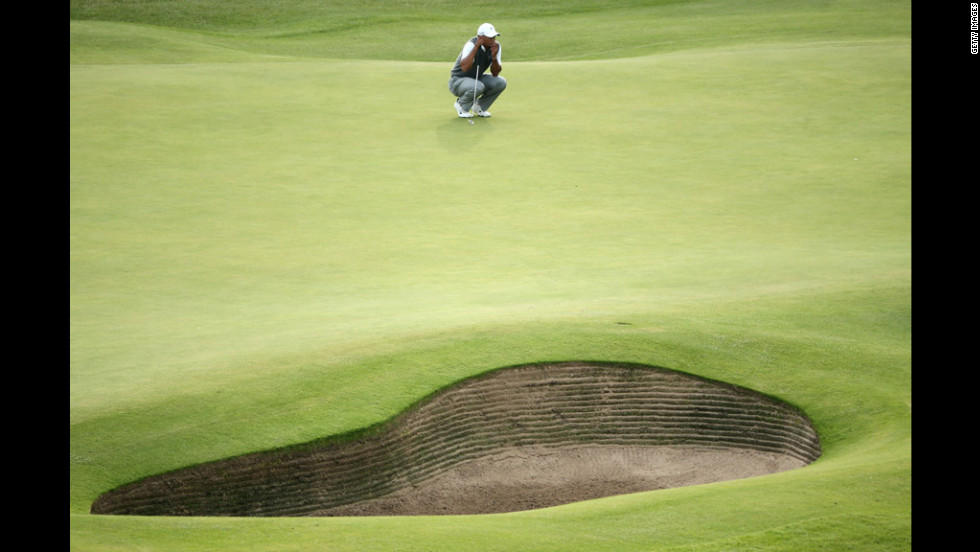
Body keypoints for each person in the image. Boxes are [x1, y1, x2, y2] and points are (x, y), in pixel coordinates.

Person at [449, 23, 507, 118]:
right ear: (480, 37)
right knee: (478, 86)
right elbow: (464, 68)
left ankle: (479, 106)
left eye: (494, 37)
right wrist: (476, 48)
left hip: (476, 79)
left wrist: (494, 57)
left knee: (500, 82)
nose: (493, 40)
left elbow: (495, 73)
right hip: (457, 81)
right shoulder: (470, 45)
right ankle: (461, 105)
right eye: (490, 37)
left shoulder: (496, 47)